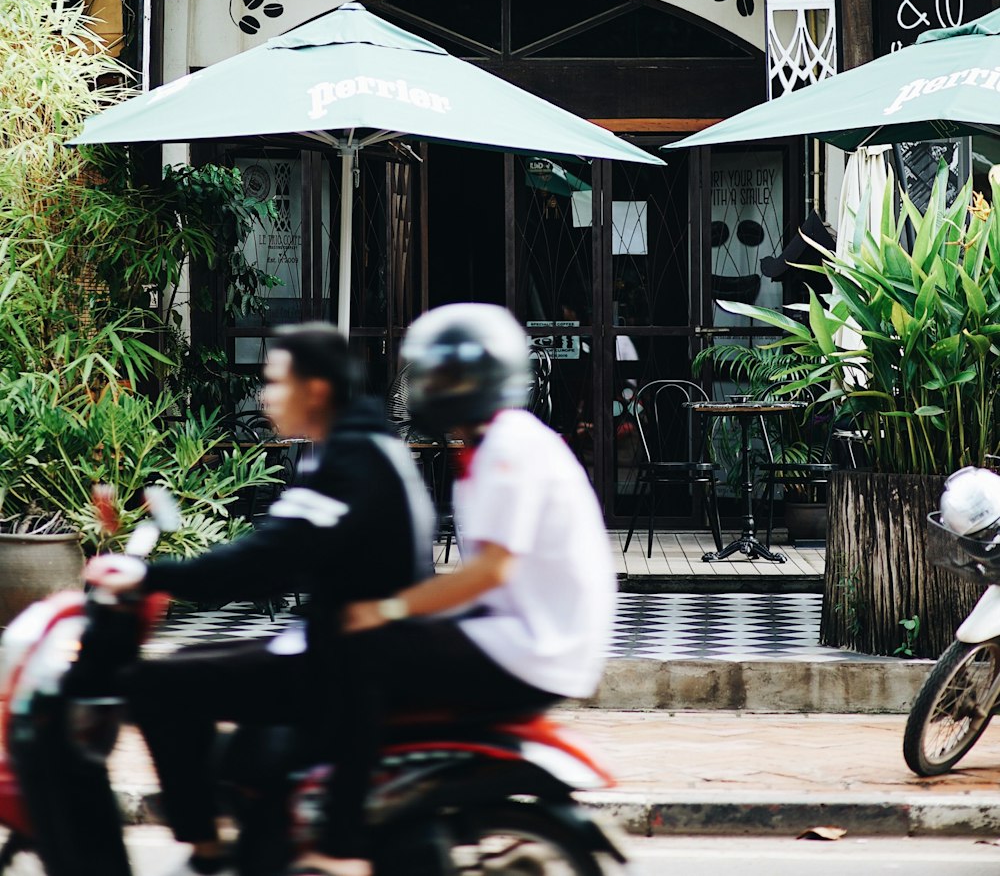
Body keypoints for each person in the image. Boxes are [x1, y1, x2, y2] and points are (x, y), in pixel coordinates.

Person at [85, 323, 435, 876]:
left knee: (156, 683)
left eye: (275, 382)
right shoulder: (354, 445)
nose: (264, 396)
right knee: (230, 731)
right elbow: (280, 553)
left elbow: (264, 563)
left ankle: (205, 849)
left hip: (345, 665)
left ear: (316, 390)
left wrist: (150, 577)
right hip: (340, 647)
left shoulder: (350, 459)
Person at [295, 302, 617, 876]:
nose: (431, 388)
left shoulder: (508, 449)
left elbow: (488, 572)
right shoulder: (494, 442)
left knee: (358, 652)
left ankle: (342, 838)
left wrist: (386, 607)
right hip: (518, 630)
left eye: (445, 376)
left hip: (531, 643)